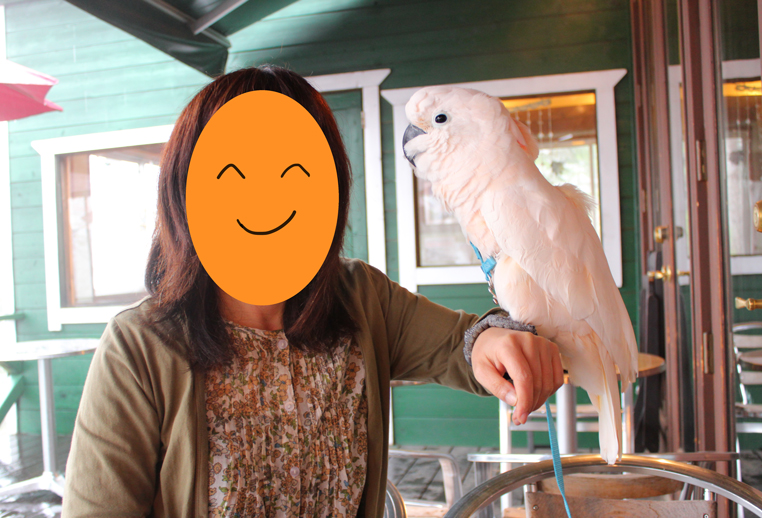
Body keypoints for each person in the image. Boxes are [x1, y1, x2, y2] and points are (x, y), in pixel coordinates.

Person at [61, 65, 563, 518]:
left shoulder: (361, 297)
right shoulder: (138, 348)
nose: (265, 198)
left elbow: (459, 344)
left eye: (294, 174)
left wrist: (492, 338)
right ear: (185, 191)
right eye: (234, 175)